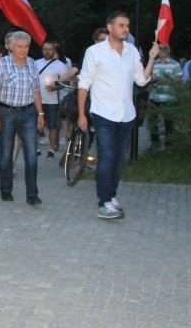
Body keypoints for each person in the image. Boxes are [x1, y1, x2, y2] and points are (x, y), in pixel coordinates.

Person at [77, 11, 159, 220]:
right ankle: (104, 202)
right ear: (110, 27)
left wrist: (151, 58)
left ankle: (111, 196)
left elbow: (141, 80)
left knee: (119, 159)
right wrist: (81, 114)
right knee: (107, 156)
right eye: (121, 25)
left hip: (126, 114)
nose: (126, 29)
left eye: (128, 25)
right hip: (103, 113)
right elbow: (84, 83)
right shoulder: (94, 52)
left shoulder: (132, 51)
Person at [0, 31, 45, 205]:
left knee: (31, 154)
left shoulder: (32, 64)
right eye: (19, 46)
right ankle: (6, 189)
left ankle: (32, 194)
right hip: (7, 112)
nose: (23, 50)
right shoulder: (2, 64)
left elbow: (36, 91)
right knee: (6, 153)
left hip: (28, 113)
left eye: (26, 46)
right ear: (11, 47)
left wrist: (40, 113)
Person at [35, 40, 69, 159]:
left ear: (54, 51)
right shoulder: (36, 63)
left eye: (49, 49)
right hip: (37, 99)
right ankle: (36, 147)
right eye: (45, 49)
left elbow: (65, 82)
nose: (47, 52)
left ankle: (51, 149)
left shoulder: (60, 65)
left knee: (52, 125)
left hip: (52, 101)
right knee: (36, 124)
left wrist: (55, 87)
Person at [147, 44, 182, 149]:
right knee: (152, 121)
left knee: (169, 122)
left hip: (169, 97)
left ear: (168, 50)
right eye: (160, 49)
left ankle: (169, 144)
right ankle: (155, 142)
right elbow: (147, 76)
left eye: (164, 49)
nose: (162, 51)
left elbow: (179, 80)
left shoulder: (175, 64)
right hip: (154, 96)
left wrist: (165, 81)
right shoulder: (153, 63)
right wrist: (153, 79)